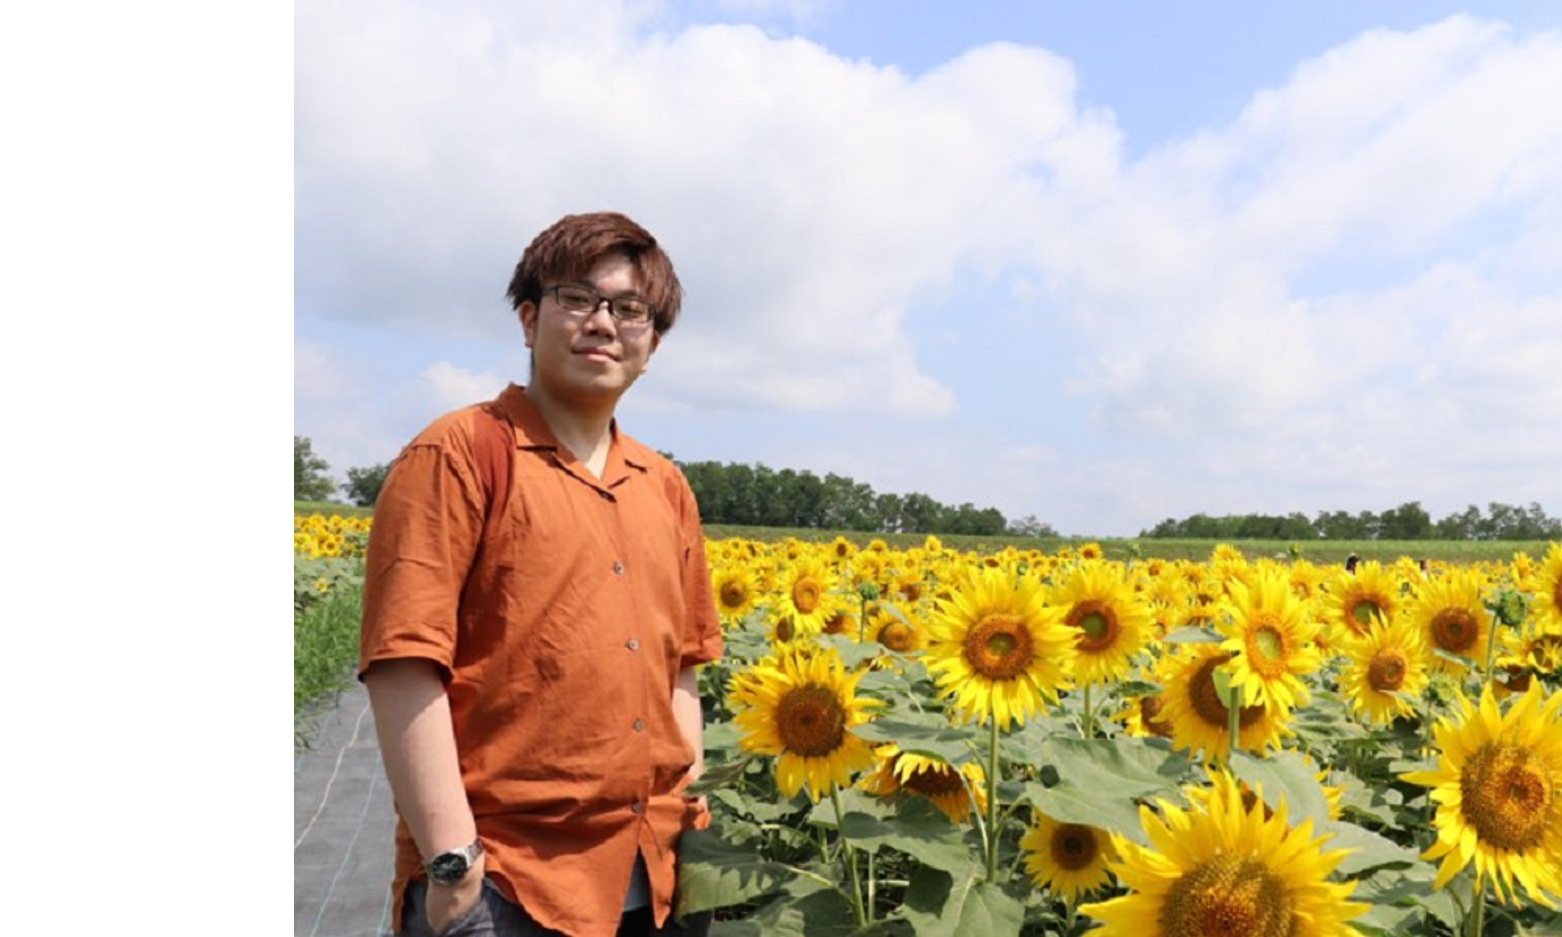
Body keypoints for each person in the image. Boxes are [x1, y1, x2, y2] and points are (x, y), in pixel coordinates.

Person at [358, 212, 723, 937]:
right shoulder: (459, 454)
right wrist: (453, 864)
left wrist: (688, 813)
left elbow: (684, 665)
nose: (603, 323)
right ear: (528, 320)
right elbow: (404, 664)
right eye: (577, 298)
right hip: (507, 881)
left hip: (650, 872)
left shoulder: (665, 486)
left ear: (651, 347)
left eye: (630, 309)